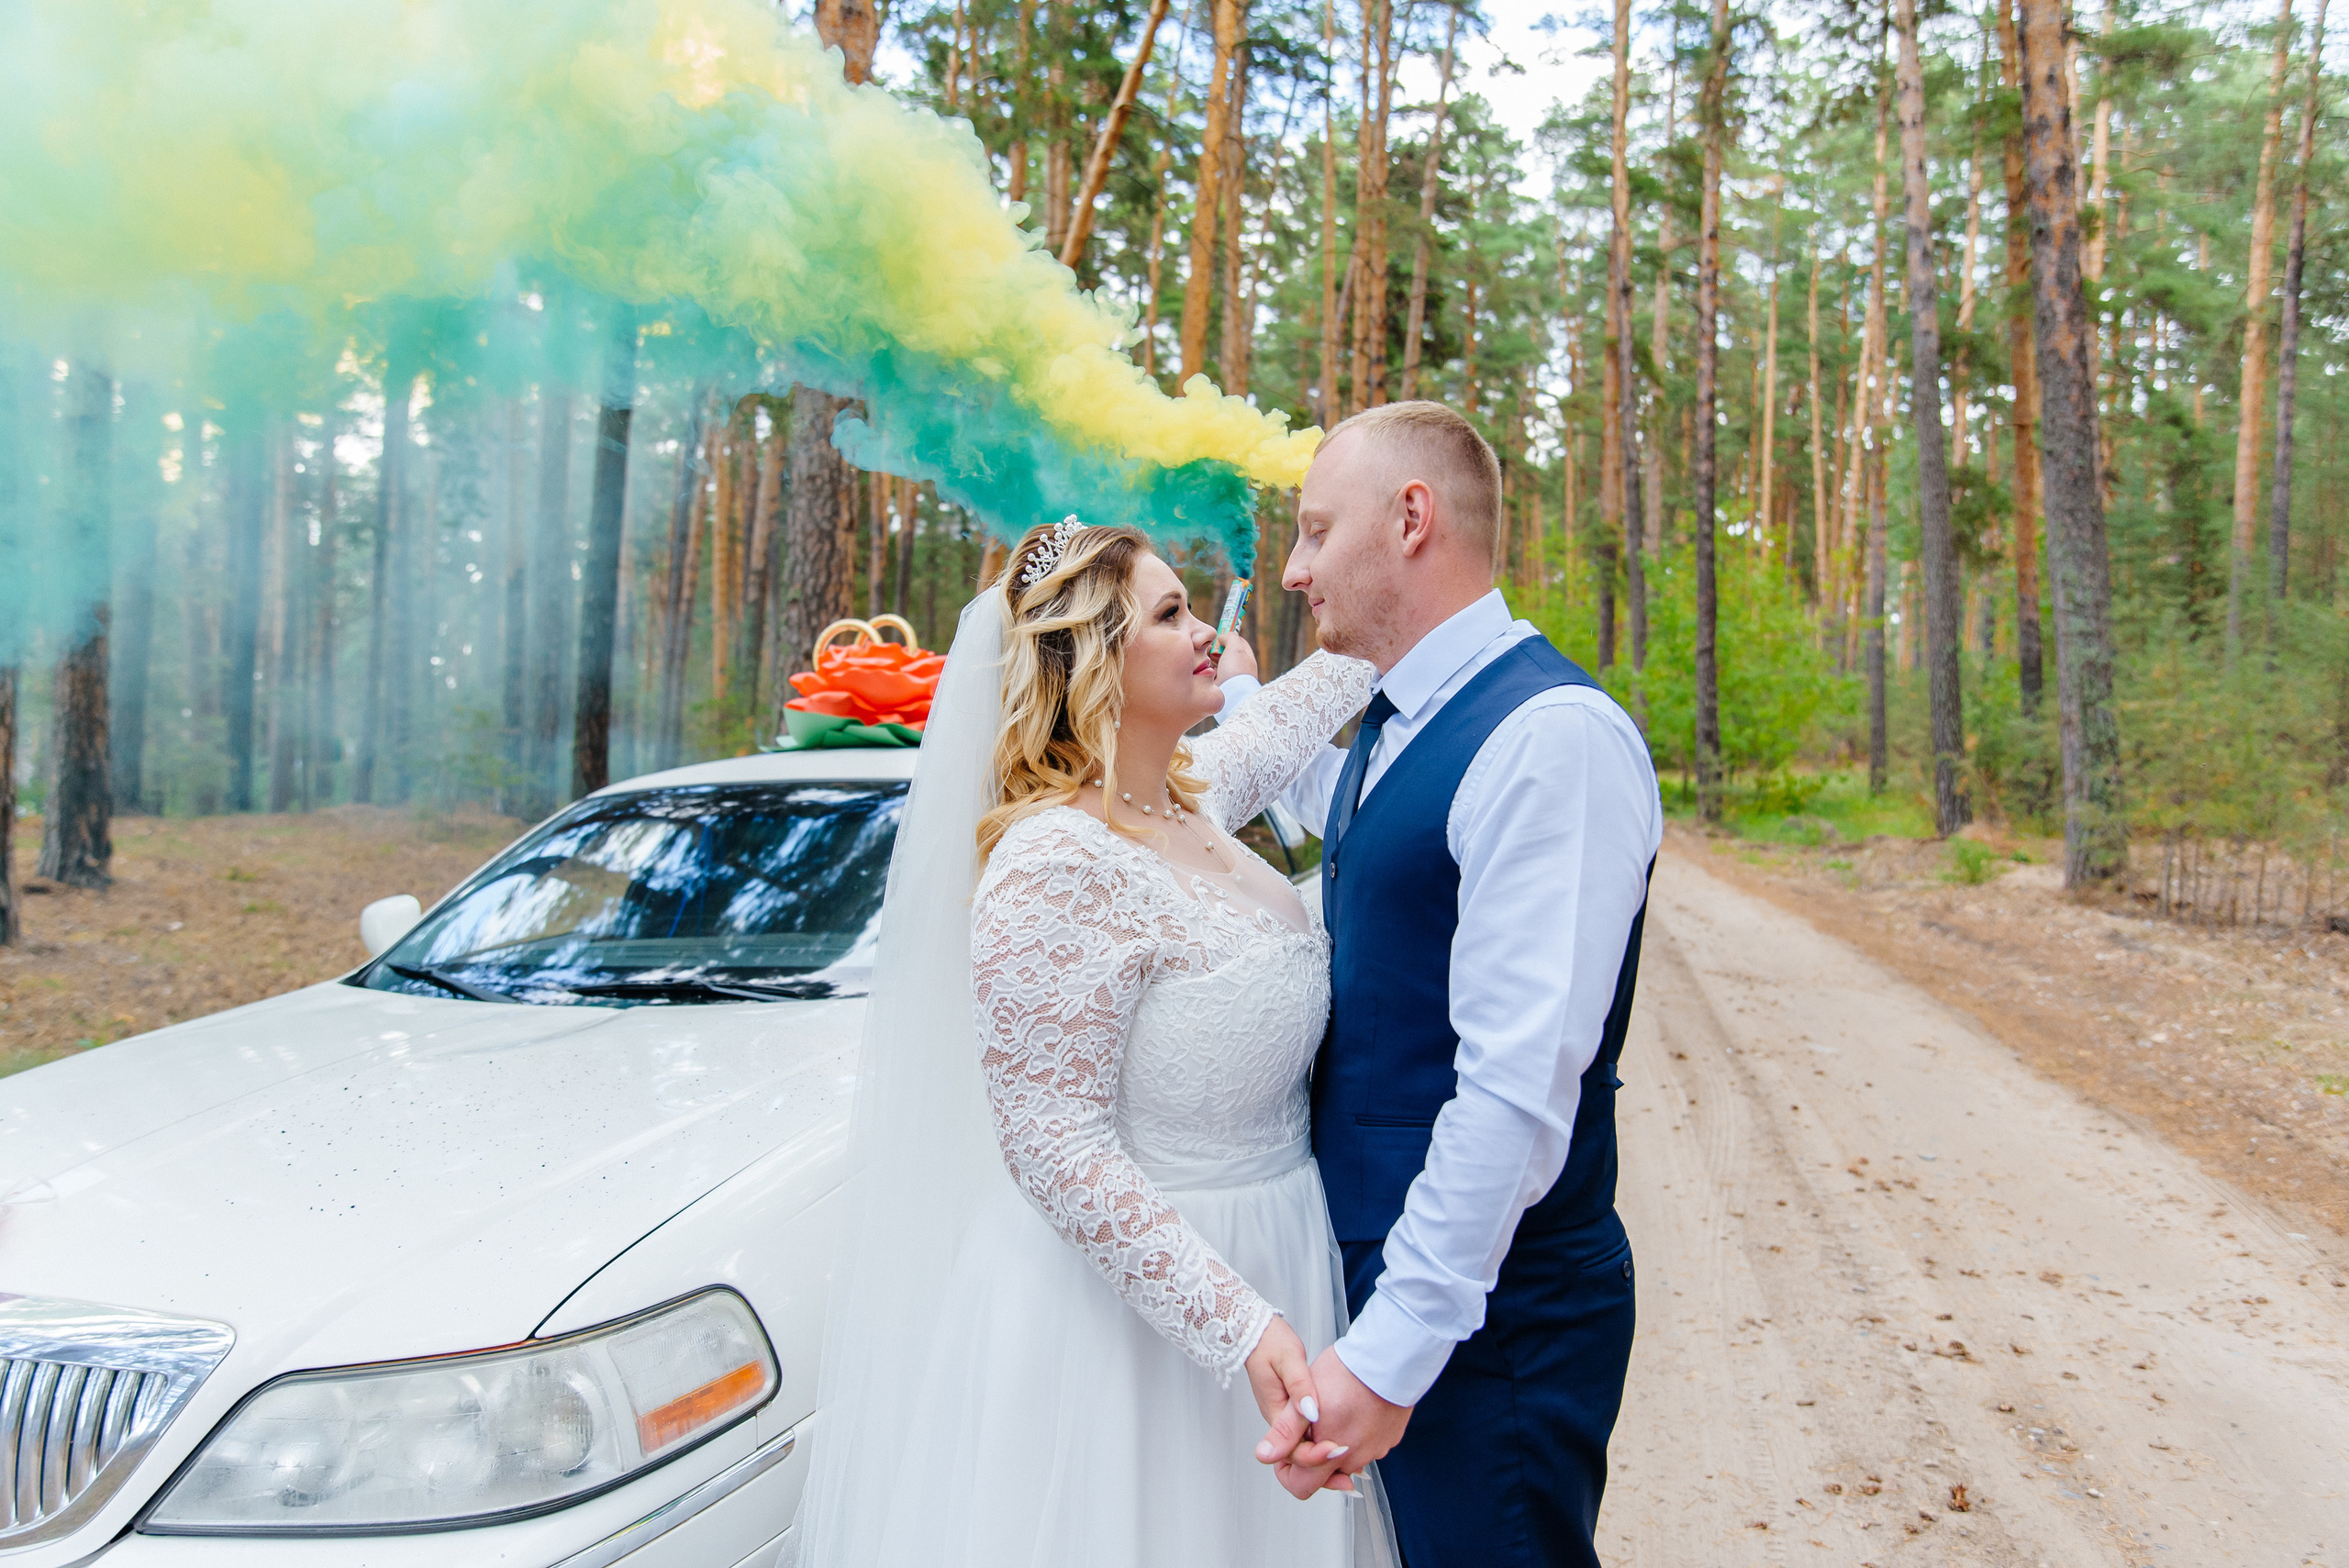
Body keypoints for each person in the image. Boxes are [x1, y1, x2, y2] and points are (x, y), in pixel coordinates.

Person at [792, 517, 1397, 1566]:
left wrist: (1389, 565)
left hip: (1282, 1257)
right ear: (1094, 663)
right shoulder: (1052, 862)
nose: (1208, 633)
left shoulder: (1196, 796)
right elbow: (1051, 1143)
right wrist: (1238, 1325)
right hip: (1137, 1330)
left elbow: (1320, 688)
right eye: (1170, 614)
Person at [1229, 401, 1664, 1568]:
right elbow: (1346, 831)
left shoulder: (1550, 736)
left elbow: (1516, 1089)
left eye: (1318, 531)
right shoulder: (1399, 722)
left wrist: (1394, 1347)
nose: (1296, 567)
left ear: (1411, 517)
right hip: (1412, 1287)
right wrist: (1223, 708)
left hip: (1494, 1318)